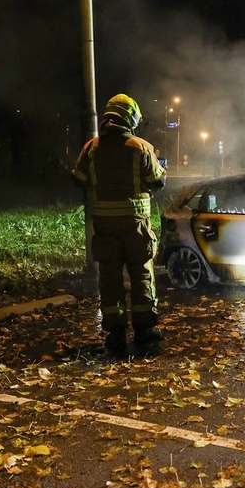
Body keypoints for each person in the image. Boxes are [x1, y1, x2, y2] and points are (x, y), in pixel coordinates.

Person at [72, 94, 167, 358]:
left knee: (110, 278)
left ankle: (115, 333)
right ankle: (145, 330)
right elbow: (158, 181)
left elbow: (78, 178)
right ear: (131, 117)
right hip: (136, 228)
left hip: (105, 228)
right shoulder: (141, 147)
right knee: (142, 276)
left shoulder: (91, 148)